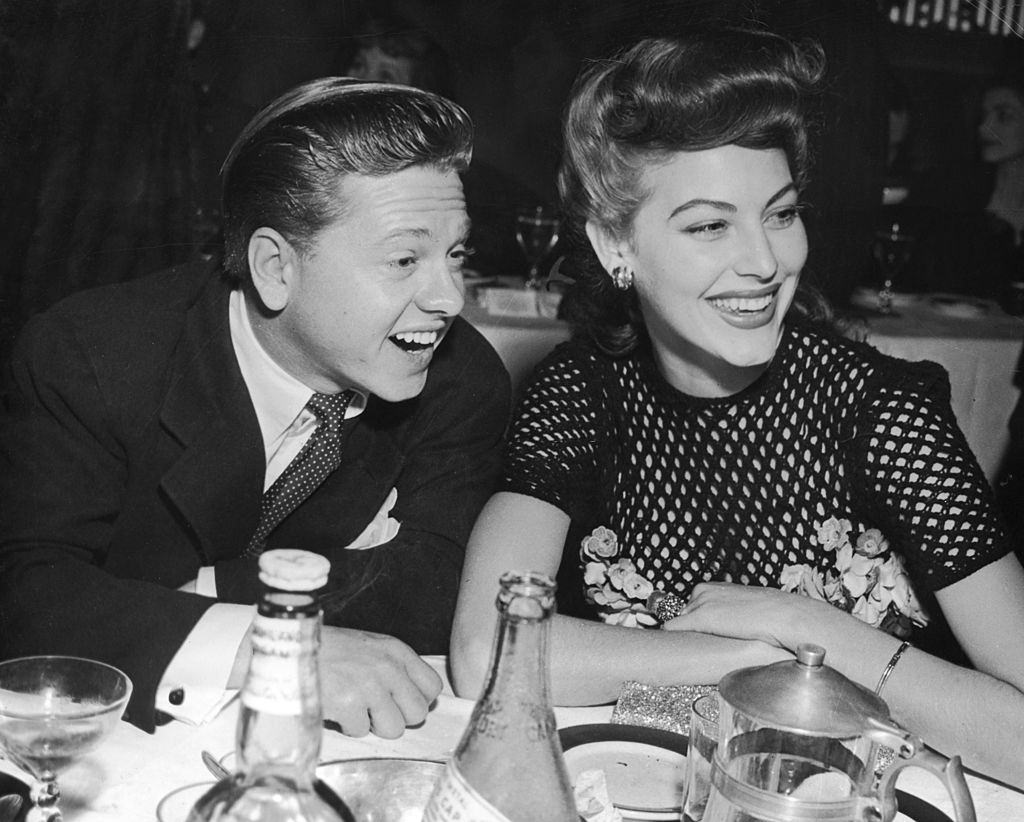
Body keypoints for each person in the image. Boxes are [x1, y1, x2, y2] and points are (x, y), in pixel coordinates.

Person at [449, 29, 1024, 786]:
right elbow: (488, 649)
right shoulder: (578, 392)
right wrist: (752, 659)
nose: (764, 261)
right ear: (614, 244)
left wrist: (803, 626)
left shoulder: (878, 409)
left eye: (781, 214)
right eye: (710, 225)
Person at [0, 78, 511, 738]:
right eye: (406, 258)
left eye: (456, 253)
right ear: (275, 268)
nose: (449, 297)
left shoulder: (462, 378)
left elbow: (439, 585)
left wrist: (205, 596)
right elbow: (27, 598)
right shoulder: (91, 354)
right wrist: (273, 645)